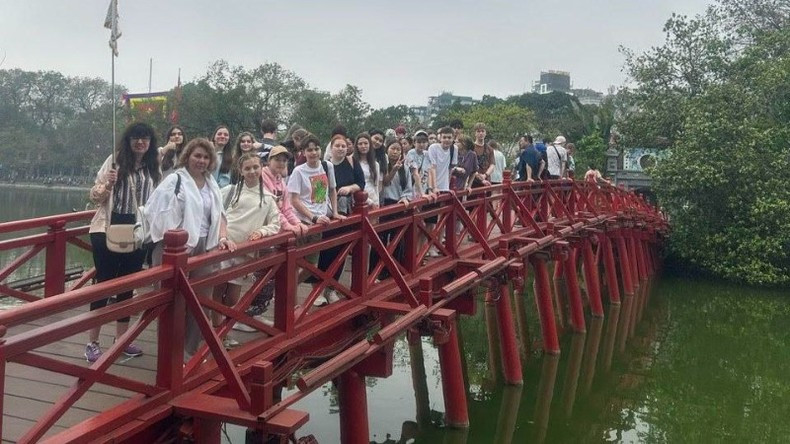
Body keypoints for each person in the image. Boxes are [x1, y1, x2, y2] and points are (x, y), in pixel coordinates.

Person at [145, 138, 236, 358]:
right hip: (175, 247)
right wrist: (175, 241)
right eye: (197, 156)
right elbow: (155, 212)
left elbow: (220, 214)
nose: (201, 161)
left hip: (205, 246)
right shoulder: (174, 180)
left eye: (206, 157)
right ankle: (169, 356)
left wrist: (222, 237)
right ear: (188, 156)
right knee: (172, 302)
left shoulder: (211, 183)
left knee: (200, 302)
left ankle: (191, 352)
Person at [85, 122, 162, 363]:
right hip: (107, 227)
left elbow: (157, 199)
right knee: (104, 283)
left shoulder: (153, 166)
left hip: (137, 230)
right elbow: (94, 196)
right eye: (136, 137)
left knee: (128, 283)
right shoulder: (115, 161)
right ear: (128, 140)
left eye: (145, 138)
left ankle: (121, 339)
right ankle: (92, 342)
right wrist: (108, 182)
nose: (141, 142)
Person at [234, 145, 309, 330]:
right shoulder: (263, 178)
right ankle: (242, 315)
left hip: (273, 232)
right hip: (261, 231)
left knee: (271, 274)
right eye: (277, 159)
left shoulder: (280, 180)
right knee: (264, 275)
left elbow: (286, 207)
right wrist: (290, 226)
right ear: (269, 161)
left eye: (284, 160)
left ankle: (254, 312)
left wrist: (297, 224)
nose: (281, 163)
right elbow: (273, 209)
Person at [213, 154, 280, 346]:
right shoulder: (230, 191)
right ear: (240, 171)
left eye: (255, 167)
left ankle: (222, 329)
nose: (252, 172)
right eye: (247, 168)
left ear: (261, 168)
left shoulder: (268, 198)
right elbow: (216, 212)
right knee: (217, 291)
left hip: (244, 252)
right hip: (223, 247)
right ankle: (219, 335)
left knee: (232, 297)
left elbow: (276, 223)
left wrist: (262, 231)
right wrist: (221, 236)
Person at [287, 134, 345, 306]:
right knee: (296, 263)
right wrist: (312, 217)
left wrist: (334, 212)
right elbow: (294, 199)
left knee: (311, 263)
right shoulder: (299, 171)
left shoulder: (327, 166)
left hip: (320, 221)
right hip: (303, 221)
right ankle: (291, 301)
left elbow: (332, 190)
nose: (313, 153)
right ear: (303, 152)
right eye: (309, 150)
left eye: (316, 149)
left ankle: (287, 289)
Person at [314, 135, 364, 303]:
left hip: (345, 214)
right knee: (324, 252)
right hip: (327, 214)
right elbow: (319, 192)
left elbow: (361, 184)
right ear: (331, 147)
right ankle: (318, 291)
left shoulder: (351, 163)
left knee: (340, 251)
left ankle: (331, 289)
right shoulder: (323, 165)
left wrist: (349, 188)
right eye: (338, 146)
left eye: (344, 146)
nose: (341, 148)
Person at [354, 132, 381, 209]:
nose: (363, 146)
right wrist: (369, 201)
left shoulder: (375, 165)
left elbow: (376, 186)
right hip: (359, 199)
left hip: (373, 197)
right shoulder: (353, 163)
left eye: (366, 143)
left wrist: (376, 203)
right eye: (360, 144)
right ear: (356, 146)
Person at [405, 130, 430, 197]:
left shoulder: (427, 154)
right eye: (419, 142)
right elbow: (415, 173)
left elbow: (429, 171)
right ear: (414, 143)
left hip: (423, 185)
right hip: (411, 187)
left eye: (424, 142)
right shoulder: (411, 153)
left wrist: (429, 190)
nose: (421, 144)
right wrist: (422, 194)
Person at [470, 122, 493, 187]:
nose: (481, 133)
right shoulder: (471, 148)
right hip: (474, 180)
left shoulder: (489, 149)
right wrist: (479, 177)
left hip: (487, 179)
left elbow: (492, 165)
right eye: (478, 131)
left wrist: (485, 175)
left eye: (483, 131)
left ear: (485, 133)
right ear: (475, 133)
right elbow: (470, 165)